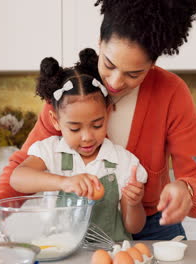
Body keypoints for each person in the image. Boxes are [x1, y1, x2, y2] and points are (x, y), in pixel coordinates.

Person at [0, 0, 196, 240]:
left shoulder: (171, 93)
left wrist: (187, 190)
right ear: (99, 43)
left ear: (153, 63)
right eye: (109, 65)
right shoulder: (72, 91)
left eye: (134, 74)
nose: (115, 82)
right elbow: (24, 165)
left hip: (151, 228)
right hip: (77, 228)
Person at [10, 51, 148, 241]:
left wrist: (134, 203)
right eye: (74, 128)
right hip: (61, 255)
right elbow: (17, 179)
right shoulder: (50, 152)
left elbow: (135, 226)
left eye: (97, 125)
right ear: (55, 121)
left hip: (110, 256)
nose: (87, 137)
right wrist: (63, 182)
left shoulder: (124, 162)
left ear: (108, 113)